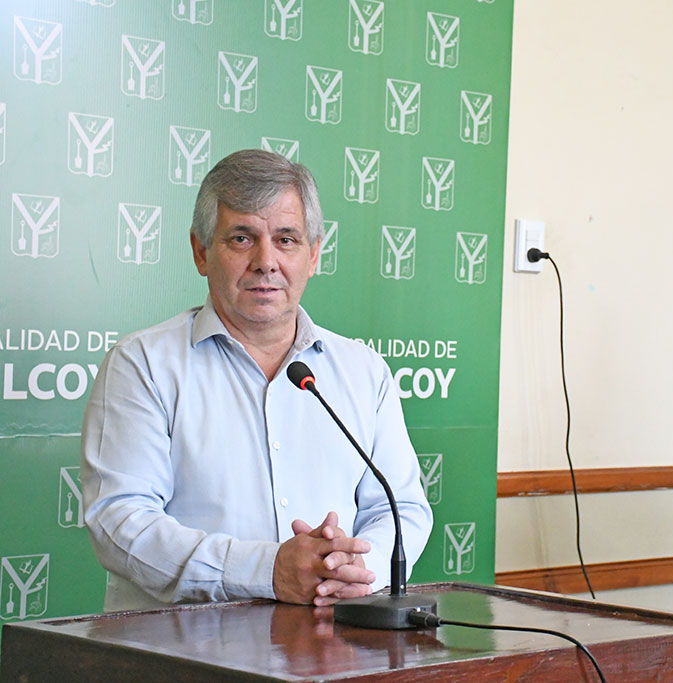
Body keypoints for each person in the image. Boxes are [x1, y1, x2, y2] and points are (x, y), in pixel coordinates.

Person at [81, 149, 432, 611]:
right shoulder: (142, 364)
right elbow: (120, 521)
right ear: (201, 252)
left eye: (286, 239)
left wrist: (356, 571)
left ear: (314, 255)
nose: (266, 261)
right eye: (242, 238)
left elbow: (401, 508)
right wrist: (266, 571)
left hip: (331, 641)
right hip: (179, 646)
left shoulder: (364, 371)